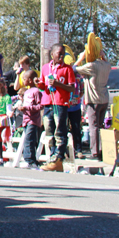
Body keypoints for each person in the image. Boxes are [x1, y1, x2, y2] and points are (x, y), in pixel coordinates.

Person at [37, 44, 77, 172]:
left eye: (63, 54)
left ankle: (59, 158)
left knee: (60, 130)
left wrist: (58, 84)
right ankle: (52, 156)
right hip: (47, 102)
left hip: (60, 103)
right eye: (59, 54)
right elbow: (43, 86)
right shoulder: (45, 68)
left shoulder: (67, 69)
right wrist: (38, 84)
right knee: (49, 131)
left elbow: (72, 88)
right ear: (52, 54)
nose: (61, 56)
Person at [74, 39, 112, 160]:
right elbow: (107, 63)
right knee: (100, 126)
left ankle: (95, 152)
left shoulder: (91, 66)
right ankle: (101, 150)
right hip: (104, 99)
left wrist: (81, 58)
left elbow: (74, 69)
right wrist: (103, 56)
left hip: (93, 100)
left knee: (93, 126)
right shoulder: (106, 65)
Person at [16, 70, 43, 168]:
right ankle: (30, 159)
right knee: (27, 139)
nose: (23, 81)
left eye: (24, 79)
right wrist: (22, 107)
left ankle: (30, 160)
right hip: (25, 119)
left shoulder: (36, 91)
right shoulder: (26, 92)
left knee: (29, 139)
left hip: (33, 120)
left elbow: (41, 105)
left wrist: (28, 108)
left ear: (30, 80)